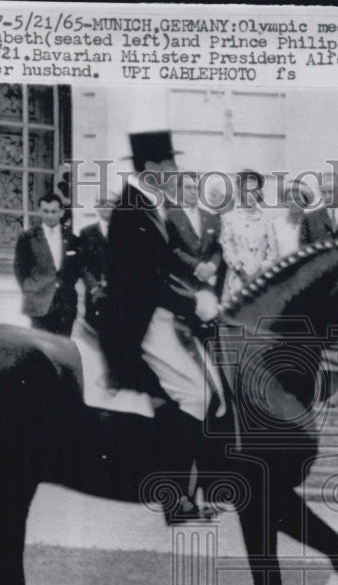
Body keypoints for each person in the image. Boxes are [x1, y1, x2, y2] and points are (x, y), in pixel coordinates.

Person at [100, 130, 224, 524]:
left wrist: (197, 284)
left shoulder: (152, 205)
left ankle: (181, 494)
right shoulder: (130, 210)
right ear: (152, 168)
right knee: (196, 394)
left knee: (207, 392)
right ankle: (174, 498)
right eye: (171, 165)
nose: (176, 171)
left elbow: (166, 261)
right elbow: (142, 281)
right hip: (136, 322)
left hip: (159, 313)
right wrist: (192, 302)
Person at [13, 192, 82, 336]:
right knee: (41, 349)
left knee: (63, 348)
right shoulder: (28, 237)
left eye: (53, 211)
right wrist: (31, 290)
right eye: (45, 211)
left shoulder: (72, 238)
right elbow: (20, 268)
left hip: (65, 303)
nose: (49, 215)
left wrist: (64, 284)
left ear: (61, 212)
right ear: (39, 211)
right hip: (39, 302)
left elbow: (77, 268)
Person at [219, 169, 280, 304]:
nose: (251, 195)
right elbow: (227, 249)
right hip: (236, 280)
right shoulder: (229, 218)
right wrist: (242, 273)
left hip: (261, 280)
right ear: (240, 191)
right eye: (247, 190)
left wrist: (260, 273)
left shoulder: (267, 220)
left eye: (255, 190)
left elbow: (273, 253)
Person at [166, 171, 223, 294]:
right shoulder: (170, 216)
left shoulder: (210, 217)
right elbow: (172, 249)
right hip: (182, 284)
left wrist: (212, 266)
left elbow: (217, 248)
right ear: (180, 190)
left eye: (196, 188)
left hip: (207, 283)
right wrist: (197, 266)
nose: (193, 191)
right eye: (188, 187)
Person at [76, 190, 113, 333]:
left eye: (110, 203)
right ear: (97, 206)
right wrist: (94, 288)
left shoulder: (126, 233)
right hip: (94, 297)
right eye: (102, 203)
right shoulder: (87, 233)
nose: (106, 207)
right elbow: (82, 265)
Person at [299, 171, 338, 245]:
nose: (327, 197)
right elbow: (304, 251)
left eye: (331, 192)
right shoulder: (309, 219)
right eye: (323, 192)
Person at [273, 179, 314, 258]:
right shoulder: (277, 224)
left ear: (305, 202)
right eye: (289, 199)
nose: (293, 202)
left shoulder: (312, 225)